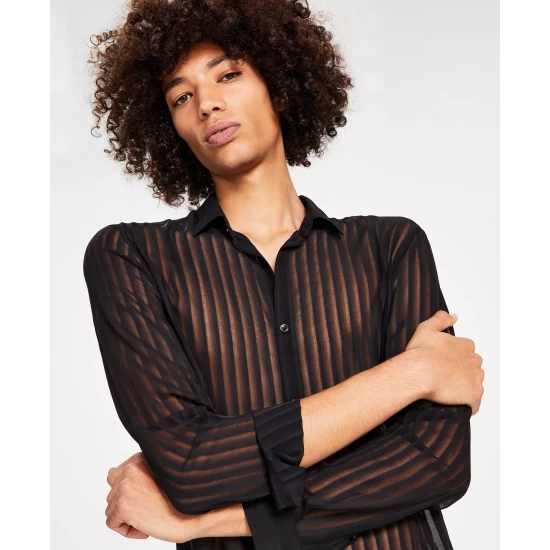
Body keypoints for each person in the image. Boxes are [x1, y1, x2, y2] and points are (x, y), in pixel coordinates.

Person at [83, 1, 484, 549]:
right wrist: (411, 375)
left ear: (280, 85)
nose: (208, 103)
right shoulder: (131, 256)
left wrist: (205, 523)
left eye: (228, 74)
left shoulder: (391, 247)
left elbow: (437, 464)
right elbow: (193, 466)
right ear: (168, 126)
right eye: (181, 97)